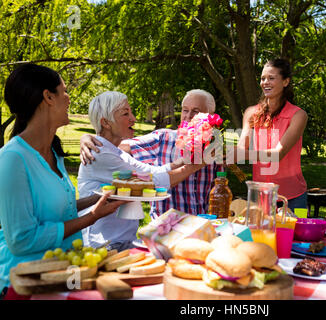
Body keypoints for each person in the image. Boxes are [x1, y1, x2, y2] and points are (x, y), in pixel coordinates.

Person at [0, 64, 126, 298]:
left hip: (63, 277)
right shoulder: (12, 159)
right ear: (48, 97)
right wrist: (92, 217)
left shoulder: (54, 152)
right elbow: (21, 240)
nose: (69, 99)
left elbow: (57, 210)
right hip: (26, 285)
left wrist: (98, 199)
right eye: (64, 91)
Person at [77, 91, 207, 250]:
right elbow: (152, 182)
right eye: (126, 113)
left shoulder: (116, 152)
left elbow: (152, 171)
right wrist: (196, 165)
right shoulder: (100, 154)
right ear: (106, 122)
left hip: (121, 242)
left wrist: (183, 161)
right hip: (101, 246)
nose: (133, 118)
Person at [230, 58, 308, 212]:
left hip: (295, 197)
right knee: (260, 235)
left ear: (286, 82)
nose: (265, 82)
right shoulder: (251, 113)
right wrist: (229, 153)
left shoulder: (298, 115)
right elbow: (241, 146)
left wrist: (241, 154)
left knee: (298, 236)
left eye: (271, 78)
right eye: (263, 78)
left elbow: (278, 154)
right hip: (261, 197)